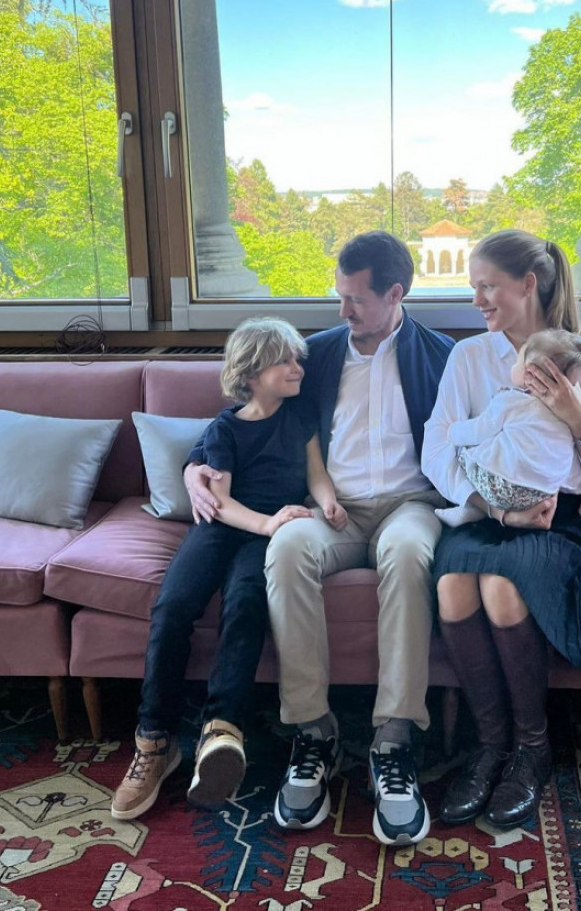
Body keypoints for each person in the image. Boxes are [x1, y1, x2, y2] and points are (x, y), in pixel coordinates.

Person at [185, 232, 454, 847]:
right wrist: (193, 464)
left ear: (395, 294)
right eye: (340, 296)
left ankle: (393, 737)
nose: (342, 309)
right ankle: (312, 731)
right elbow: (242, 413)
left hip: (411, 506)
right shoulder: (318, 354)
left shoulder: (442, 356)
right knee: (284, 548)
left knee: (408, 552)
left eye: (355, 299)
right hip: (333, 509)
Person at [421, 229, 581, 831]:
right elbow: (438, 446)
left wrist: (577, 416)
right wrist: (494, 511)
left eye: (487, 287)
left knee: (501, 587)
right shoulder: (469, 357)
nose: (477, 301)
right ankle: (490, 746)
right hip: (484, 509)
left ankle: (531, 748)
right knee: (453, 585)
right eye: (474, 288)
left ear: (529, 284)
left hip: (555, 514)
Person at [111, 317, 347, 822]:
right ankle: (154, 741)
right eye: (284, 361)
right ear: (252, 372)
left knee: (245, 603)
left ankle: (222, 732)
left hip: (268, 535)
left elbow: (316, 473)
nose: (297, 367)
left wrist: (327, 502)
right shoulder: (225, 427)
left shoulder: (301, 415)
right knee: (172, 607)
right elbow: (219, 503)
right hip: (227, 527)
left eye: (297, 358)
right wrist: (270, 523)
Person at [435, 329, 581, 528]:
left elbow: (480, 429)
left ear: (529, 373)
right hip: (544, 492)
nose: (513, 366)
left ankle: (471, 509)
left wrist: (453, 432)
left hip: (502, 488)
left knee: (465, 450)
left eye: (517, 362)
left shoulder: (511, 401)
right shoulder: (573, 409)